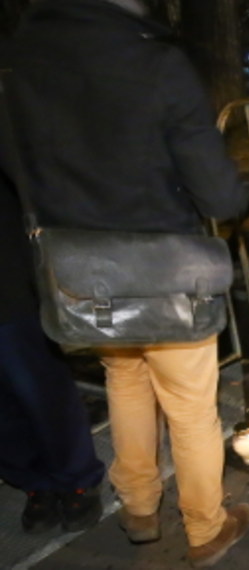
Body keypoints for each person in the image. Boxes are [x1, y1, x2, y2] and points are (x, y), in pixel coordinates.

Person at [8, 0, 249, 563]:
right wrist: (237, 193)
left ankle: (140, 510)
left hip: (86, 278)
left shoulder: (22, 58)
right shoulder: (151, 57)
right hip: (166, 273)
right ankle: (205, 526)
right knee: (191, 405)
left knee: (126, 383)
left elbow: (19, 165)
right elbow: (215, 187)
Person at [0, 167, 105, 534]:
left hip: (8, 278)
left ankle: (76, 478)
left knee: (41, 386)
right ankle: (34, 481)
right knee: (5, 403)